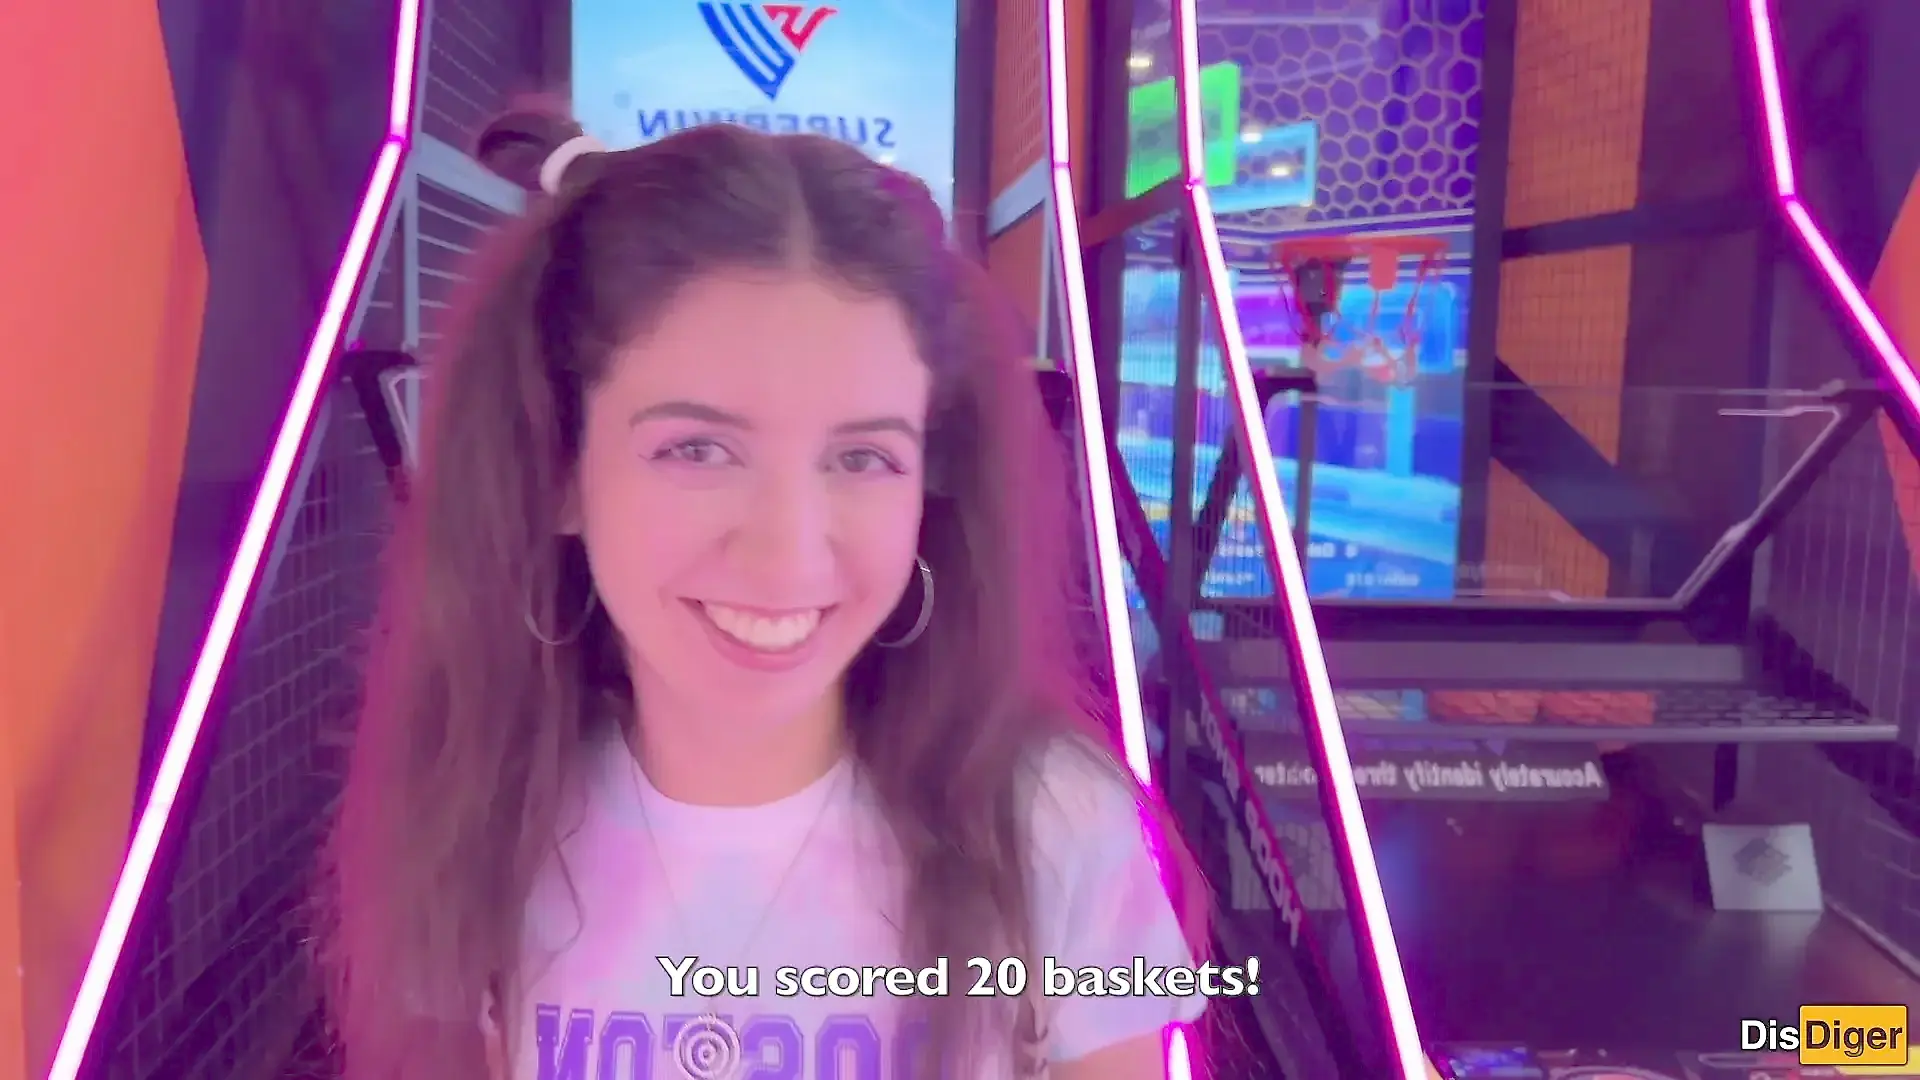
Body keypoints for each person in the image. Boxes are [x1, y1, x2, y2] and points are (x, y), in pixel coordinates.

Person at [320, 103, 1208, 1080]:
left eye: (862, 457)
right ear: (562, 470)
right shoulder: (487, 808)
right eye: (697, 449)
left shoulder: (1053, 825)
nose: (787, 554)